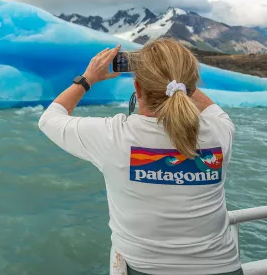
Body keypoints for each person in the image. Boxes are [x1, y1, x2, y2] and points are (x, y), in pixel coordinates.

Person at [38, 38, 243, 275]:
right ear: (190, 85)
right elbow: (209, 109)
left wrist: (88, 79)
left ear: (137, 89)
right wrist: (177, 76)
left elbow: (50, 119)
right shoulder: (220, 131)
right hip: (223, 267)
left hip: (145, 269)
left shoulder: (114, 135)